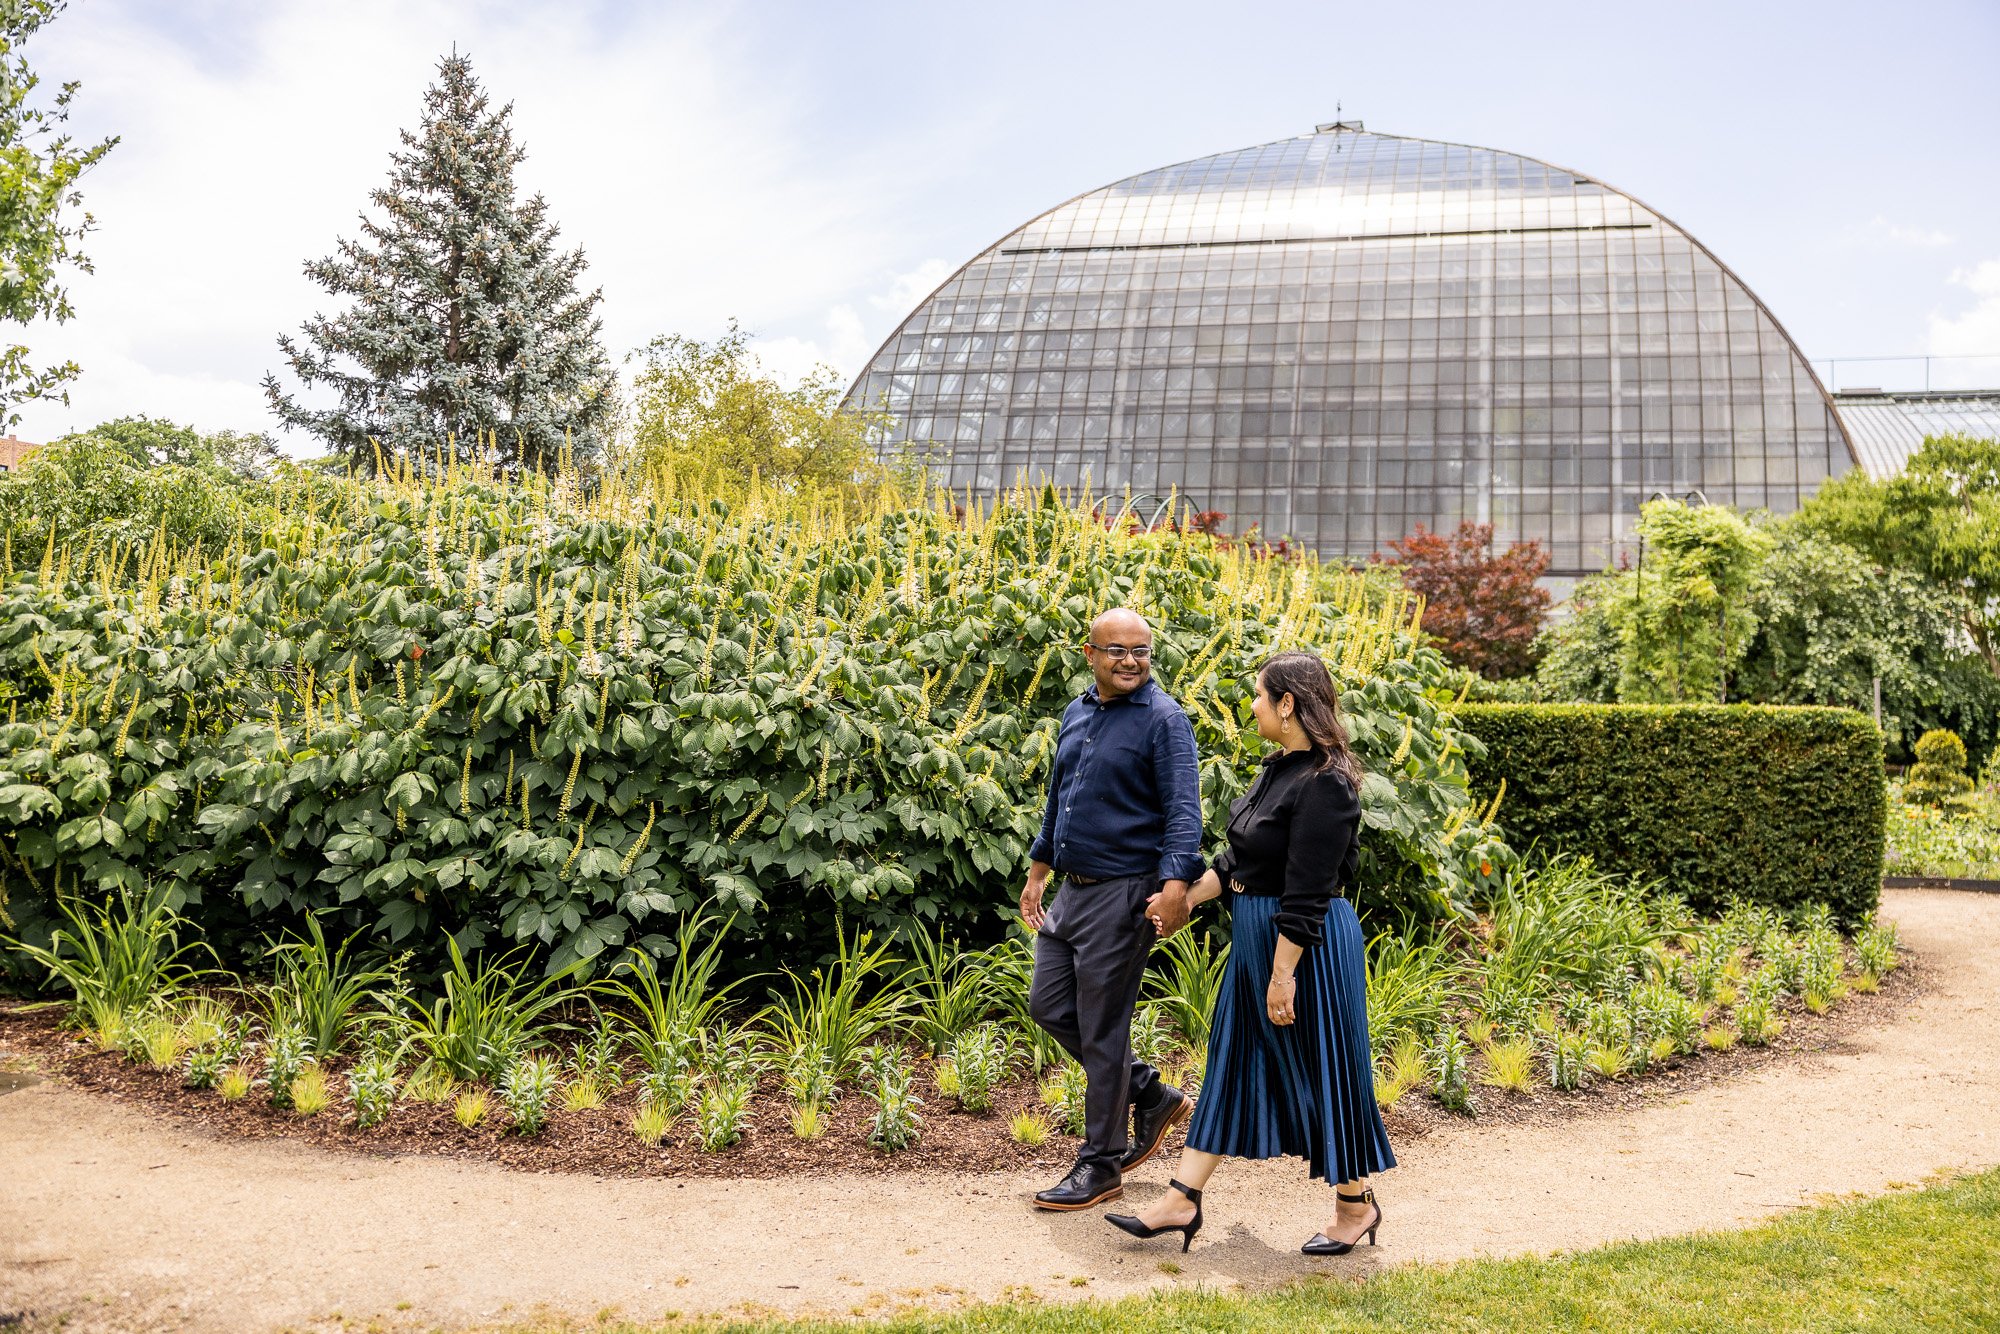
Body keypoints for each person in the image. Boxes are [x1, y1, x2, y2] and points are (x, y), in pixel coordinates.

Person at [1105, 649, 1394, 1255]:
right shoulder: (1277, 769)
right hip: (1259, 938)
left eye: (1261, 696)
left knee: (1323, 1072)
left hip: (1305, 947)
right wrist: (1184, 901)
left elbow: (1309, 890)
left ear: (1288, 704)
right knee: (1230, 1062)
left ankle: (1354, 1205)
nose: (1253, 706)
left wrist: (1282, 973)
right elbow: (1239, 866)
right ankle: (1183, 1198)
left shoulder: (1327, 785)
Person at [1020, 607, 1205, 1211]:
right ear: (1089, 653)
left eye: (1141, 650)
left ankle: (1100, 1165)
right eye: (1117, 650)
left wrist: (1175, 886)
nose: (1131, 660)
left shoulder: (1165, 720)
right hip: (1072, 890)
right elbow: (1060, 800)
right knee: (1047, 1005)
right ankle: (1149, 1094)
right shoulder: (1077, 713)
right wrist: (1038, 872)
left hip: (1126, 893)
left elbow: (1183, 812)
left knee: (1102, 1030)